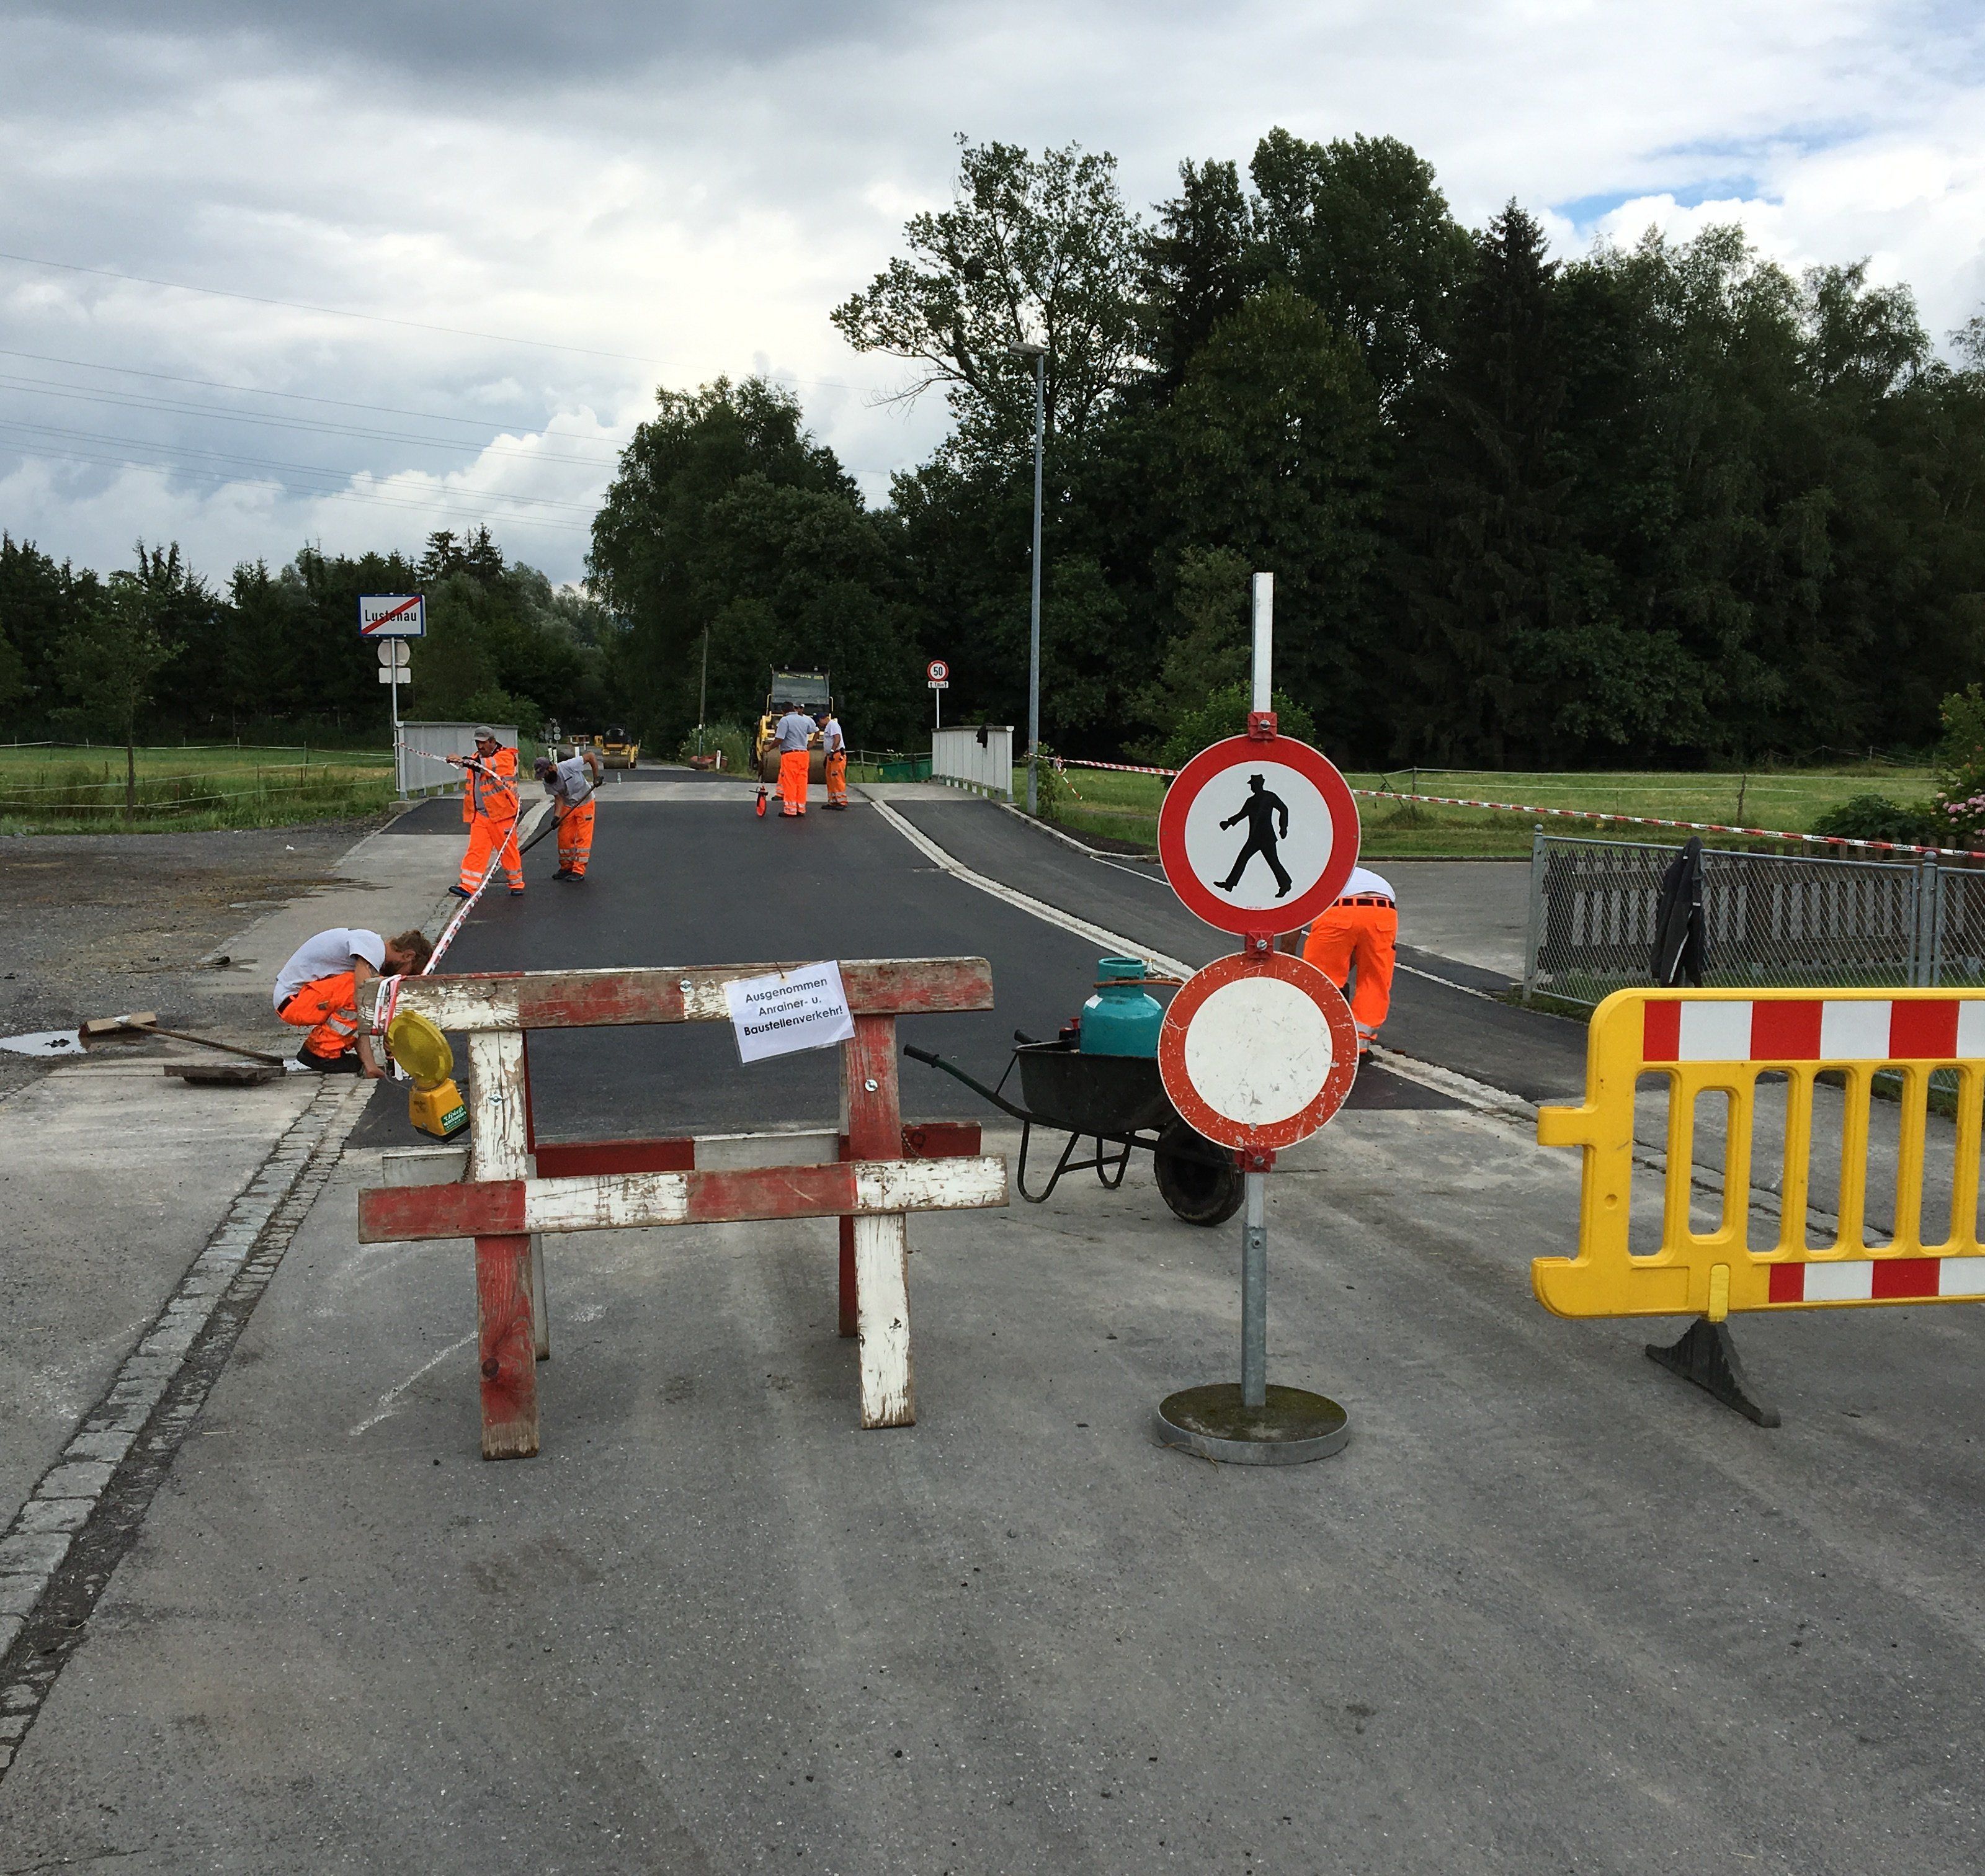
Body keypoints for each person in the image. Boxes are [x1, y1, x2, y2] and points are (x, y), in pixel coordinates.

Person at [274, 926, 432, 1074]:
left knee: (365, 992)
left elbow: (356, 1014)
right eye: (409, 972)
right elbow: (362, 1000)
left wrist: (370, 1066)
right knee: (367, 992)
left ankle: (326, 1050)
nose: (402, 977)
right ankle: (320, 1052)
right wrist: (389, 1034)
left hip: (296, 1000)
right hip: (293, 1000)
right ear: (408, 956)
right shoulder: (373, 947)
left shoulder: (368, 949)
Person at [1302, 865, 1397, 1057]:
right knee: (1374, 980)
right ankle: (1359, 1046)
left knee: (1320, 979)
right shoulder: (1358, 872)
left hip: (1339, 910)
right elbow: (1356, 944)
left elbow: (1294, 924)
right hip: (1383, 910)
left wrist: (1287, 956)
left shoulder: (1308, 878)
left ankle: (1321, 1039)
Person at [447, 726, 524, 899]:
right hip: (481, 814)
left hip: (502, 814)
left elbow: (485, 767)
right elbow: (475, 765)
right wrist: (460, 761)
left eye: (483, 743)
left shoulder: (505, 757)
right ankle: (468, 886)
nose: (480, 747)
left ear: (492, 742)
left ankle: (516, 883)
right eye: (477, 743)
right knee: (476, 850)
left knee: (508, 851)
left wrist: (463, 760)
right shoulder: (476, 758)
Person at [535, 743, 605, 880]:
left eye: (545, 774)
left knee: (582, 837)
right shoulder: (548, 782)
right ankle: (566, 867)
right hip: (568, 805)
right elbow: (559, 799)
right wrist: (556, 817)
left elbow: (591, 756)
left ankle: (578, 871)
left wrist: (596, 777)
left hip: (585, 801)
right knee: (565, 838)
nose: (544, 777)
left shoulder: (569, 766)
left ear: (551, 767)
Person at [1216, 773, 1292, 898]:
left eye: (1252, 785)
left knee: (1273, 861)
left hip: (1267, 837)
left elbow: (1284, 809)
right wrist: (1229, 823)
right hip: (1254, 837)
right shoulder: (1251, 801)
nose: (1251, 787)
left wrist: (1283, 828)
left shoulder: (1270, 797)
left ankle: (1285, 884)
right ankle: (1229, 884)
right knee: (1243, 858)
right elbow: (1242, 814)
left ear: (1258, 785)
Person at [774, 700, 816, 818]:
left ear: (783, 711)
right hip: (804, 755)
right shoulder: (805, 720)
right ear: (793, 708)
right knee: (801, 783)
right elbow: (816, 731)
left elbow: (779, 739)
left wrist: (769, 747)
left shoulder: (785, 720)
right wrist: (812, 744)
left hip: (790, 755)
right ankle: (800, 808)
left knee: (790, 782)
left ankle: (790, 810)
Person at [817, 706, 849, 810]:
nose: (819, 724)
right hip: (831, 757)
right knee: (831, 779)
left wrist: (831, 752)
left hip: (837, 755)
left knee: (837, 778)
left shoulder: (833, 725)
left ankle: (842, 801)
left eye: (819, 722)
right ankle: (833, 801)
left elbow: (837, 738)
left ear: (824, 718)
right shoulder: (828, 727)